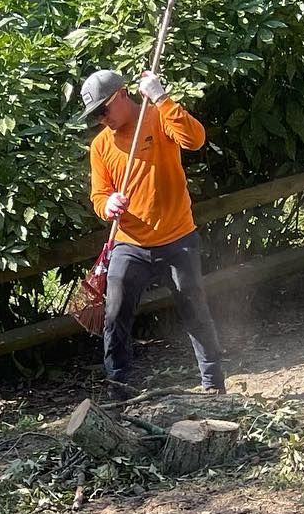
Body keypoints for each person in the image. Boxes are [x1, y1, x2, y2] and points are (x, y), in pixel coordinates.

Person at [80, 67, 226, 397]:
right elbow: (98, 195)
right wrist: (108, 205)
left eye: (103, 110)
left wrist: (160, 96)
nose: (102, 120)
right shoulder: (101, 146)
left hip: (177, 236)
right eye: (96, 116)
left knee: (194, 306)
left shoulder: (157, 116)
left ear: (121, 96)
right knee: (115, 312)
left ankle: (214, 385)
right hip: (129, 243)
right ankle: (118, 389)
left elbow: (195, 139)